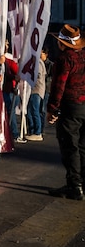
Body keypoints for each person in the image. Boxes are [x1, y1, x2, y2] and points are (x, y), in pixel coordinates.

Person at [46, 24, 85, 201]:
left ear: (63, 44)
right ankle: (81, 183)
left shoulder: (65, 59)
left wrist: (52, 109)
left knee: (70, 146)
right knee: (82, 146)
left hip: (72, 106)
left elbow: (58, 86)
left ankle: (74, 185)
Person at [26, 48, 48, 142]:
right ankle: (34, 130)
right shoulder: (40, 63)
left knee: (35, 111)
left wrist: (30, 75)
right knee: (32, 111)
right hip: (38, 89)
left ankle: (37, 132)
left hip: (37, 89)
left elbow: (38, 75)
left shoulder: (38, 63)